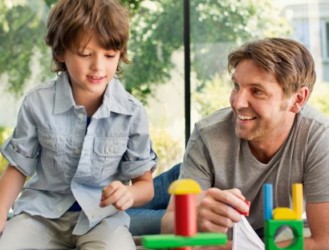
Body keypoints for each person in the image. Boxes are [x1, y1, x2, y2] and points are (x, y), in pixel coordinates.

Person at [0, 0, 157, 249]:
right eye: (85, 54)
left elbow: (144, 185)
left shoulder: (132, 112)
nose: (98, 66)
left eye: (109, 55)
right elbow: (18, 167)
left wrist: (130, 194)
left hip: (102, 220)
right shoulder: (37, 103)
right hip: (40, 215)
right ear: (61, 52)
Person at [161, 38, 329, 249]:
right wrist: (193, 217)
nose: (238, 103)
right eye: (236, 86)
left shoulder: (319, 138)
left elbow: (324, 241)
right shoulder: (208, 134)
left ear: (297, 100)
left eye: (257, 91)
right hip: (180, 181)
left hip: (239, 213)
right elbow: (169, 224)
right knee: (123, 217)